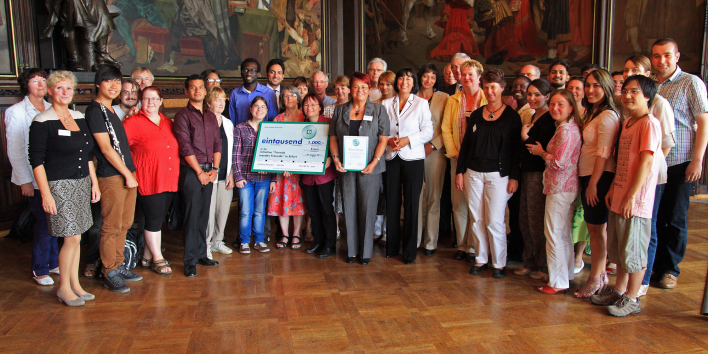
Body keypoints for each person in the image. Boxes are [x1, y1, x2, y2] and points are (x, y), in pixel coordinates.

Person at [589, 75, 662, 317]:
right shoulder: (629, 122)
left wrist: (631, 195)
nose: (628, 96)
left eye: (635, 92)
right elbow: (623, 160)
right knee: (619, 250)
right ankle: (619, 290)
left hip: (636, 201)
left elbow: (646, 161)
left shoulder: (649, 124)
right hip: (620, 195)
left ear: (648, 96)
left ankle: (632, 298)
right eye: (626, 90)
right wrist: (614, 188)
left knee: (634, 252)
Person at [28, 70, 100, 306]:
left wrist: (94, 182)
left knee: (78, 237)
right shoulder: (42, 121)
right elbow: (36, 161)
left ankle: (75, 285)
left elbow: (87, 153)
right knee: (71, 237)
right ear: (49, 91)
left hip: (81, 183)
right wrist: (46, 195)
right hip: (58, 186)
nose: (64, 92)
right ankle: (64, 288)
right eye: (59, 87)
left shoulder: (78, 116)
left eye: (68, 88)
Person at [652, 39, 708, 290]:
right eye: (656, 56)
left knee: (674, 217)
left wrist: (697, 160)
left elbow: (703, 122)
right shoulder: (650, 85)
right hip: (653, 163)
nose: (661, 60)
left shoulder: (690, 83)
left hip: (680, 161)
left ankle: (670, 269)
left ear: (677, 57)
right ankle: (655, 265)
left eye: (666, 55)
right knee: (655, 217)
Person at [455, 68, 521, 279]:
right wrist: (459, 172)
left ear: (502, 88)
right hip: (473, 173)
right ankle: (481, 258)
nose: (490, 91)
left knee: (494, 220)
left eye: (493, 87)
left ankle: (499, 263)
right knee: (476, 218)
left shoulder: (512, 117)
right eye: (486, 87)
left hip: (499, 176)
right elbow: (466, 145)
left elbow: (516, 149)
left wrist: (515, 176)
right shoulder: (476, 115)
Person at [621, 54, 676, 297]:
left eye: (636, 70)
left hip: (647, 181)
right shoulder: (629, 112)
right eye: (626, 70)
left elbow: (658, 149)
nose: (630, 73)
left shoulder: (655, 110)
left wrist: (646, 176)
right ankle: (623, 288)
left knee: (644, 232)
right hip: (629, 180)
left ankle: (638, 286)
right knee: (627, 238)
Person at [85, 66, 141, 293]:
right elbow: (106, 149)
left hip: (127, 174)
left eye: (117, 82)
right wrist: (127, 174)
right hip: (112, 175)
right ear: (99, 84)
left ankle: (119, 265)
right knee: (110, 225)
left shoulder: (110, 111)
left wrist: (130, 173)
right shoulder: (95, 110)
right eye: (109, 81)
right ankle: (109, 270)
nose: (114, 86)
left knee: (125, 224)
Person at [329, 72, 390, 265]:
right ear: (350, 89)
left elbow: (383, 140)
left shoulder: (379, 110)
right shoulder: (340, 111)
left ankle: (365, 252)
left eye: (364, 87)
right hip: (346, 168)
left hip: (370, 169)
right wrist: (336, 158)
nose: (360, 91)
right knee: (349, 208)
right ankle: (351, 251)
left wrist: (374, 162)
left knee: (368, 208)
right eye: (356, 87)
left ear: (369, 89)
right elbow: (333, 138)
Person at [5, 68, 57, 285]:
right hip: (32, 178)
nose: (40, 84)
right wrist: (25, 180)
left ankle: (53, 262)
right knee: (44, 223)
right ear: (26, 85)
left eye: (43, 80)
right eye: (35, 81)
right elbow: (15, 150)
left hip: (53, 175)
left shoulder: (52, 108)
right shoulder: (16, 111)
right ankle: (40, 268)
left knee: (55, 221)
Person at [527, 89, 583, 294]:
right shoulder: (567, 128)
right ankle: (565, 275)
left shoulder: (567, 130)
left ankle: (557, 282)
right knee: (563, 234)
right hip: (564, 187)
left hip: (560, 188)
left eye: (561, 105)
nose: (555, 108)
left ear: (570, 108)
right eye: (552, 104)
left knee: (553, 234)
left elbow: (559, 162)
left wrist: (542, 152)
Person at [574, 69, 621, 298]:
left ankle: (596, 277)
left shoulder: (607, 116)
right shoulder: (594, 113)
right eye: (588, 85)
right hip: (588, 175)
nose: (591, 90)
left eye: (596, 86)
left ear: (607, 88)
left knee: (597, 229)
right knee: (593, 227)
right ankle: (599, 276)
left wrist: (593, 183)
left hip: (599, 177)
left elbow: (604, 154)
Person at [122, 86, 177, 275]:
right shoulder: (132, 122)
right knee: (153, 219)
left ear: (161, 101)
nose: (150, 103)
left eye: (154, 99)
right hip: (148, 178)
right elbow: (119, 149)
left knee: (158, 218)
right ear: (140, 102)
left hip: (169, 178)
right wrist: (129, 172)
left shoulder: (168, 122)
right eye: (146, 99)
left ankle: (146, 256)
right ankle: (157, 258)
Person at [382, 67, 433, 264]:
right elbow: (381, 128)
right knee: (392, 203)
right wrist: (388, 141)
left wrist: (407, 140)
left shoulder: (421, 103)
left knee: (412, 204)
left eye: (409, 79)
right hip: (391, 158)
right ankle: (392, 246)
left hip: (413, 159)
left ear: (414, 83)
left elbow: (427, 131)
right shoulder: (386, 103)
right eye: (402, 78)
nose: (405, 81)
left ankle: (410, 250)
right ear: (397, 82)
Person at [172, 74, 221, 277]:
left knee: (203, 215)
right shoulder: (182, 115)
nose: (198, 91)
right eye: (193, 88)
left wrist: (215, 170)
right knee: (192, 216)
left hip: (210, 171)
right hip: (192, 172)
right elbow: (185, 147)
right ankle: (190, 260)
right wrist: (199, 172)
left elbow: (218, 143)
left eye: (201, 87)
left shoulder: (211, 116)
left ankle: (202, 254)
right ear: (187, 91)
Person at [442, 59, 486, 263]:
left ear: (479, 77)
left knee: (475, 205)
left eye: (471, 74)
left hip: (479, 162)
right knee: (458, 204)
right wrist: (454, 153)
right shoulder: (453, 100)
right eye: (464, 74)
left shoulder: (487, 99)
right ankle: (461, 244)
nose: (466, 78)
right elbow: (446, 129)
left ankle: (474, 246)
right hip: (457, 159)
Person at [516, 79, 555, 280]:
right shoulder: (532, 115)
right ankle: (529, 261)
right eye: (529, 94)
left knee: (536, 221)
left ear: (547, 96)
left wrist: (525, 136)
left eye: (537, 94)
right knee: (525, 219)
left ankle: (542, 265)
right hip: (527, 173)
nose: (531, 98)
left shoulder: (549, 119)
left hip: (539, 174)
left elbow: (539, 149)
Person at [233, 97, 274, 254]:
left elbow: (276, 155)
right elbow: (235, 155)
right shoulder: (240, 128)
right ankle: (244, 241)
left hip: (264, 179)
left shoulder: (271, 128)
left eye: (263, 107)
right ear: (250, 109)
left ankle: (259, 240)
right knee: (245, 211)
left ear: (267, 110)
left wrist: (274, 178)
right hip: (245, 178)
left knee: (259, 211)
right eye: (256, 106)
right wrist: (238, 176)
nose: (259, 109)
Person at [416, 63, 450, 256]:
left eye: (433, 77)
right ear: (420, 77)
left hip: (435, 153)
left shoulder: (444, 98)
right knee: (416, 197)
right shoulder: (412, 97)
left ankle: (430, 242)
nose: (428, 80)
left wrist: (433, 146)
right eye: (425, 76)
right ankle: (416, 239)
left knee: (433, 198)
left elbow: (447, 127)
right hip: (413, 152)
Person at [269, 86, 307, 250]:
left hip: (300, 170)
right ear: (282, 100)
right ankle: (285, 234)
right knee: (282, 201)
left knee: (298, 203)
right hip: (281, 171)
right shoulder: (277, 120)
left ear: (298, 98)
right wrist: (282, 165)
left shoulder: (305, 119)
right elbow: (273, 145)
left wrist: (296, 165)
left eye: (292, 95)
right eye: (285, 96)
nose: (289, 98)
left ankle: (297, 234)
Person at [300, 92, 338, 258]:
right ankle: (318, 242)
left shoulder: (328, 123)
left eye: (313, 105)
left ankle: (330, 245)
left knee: (326, 209)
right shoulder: (300, 126)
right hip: (307, 176)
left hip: (325, 175)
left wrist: (331, 156)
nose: (310, 108)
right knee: (313, 211)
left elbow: (336, 145)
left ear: (320, 107)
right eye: (306, 105)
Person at [204, 86, 236, 258]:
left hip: (225, 173)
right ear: (208, 103)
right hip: (209, 174)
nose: (221, 103)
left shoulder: (228, 122)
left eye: (223, 100)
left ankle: (217, 241)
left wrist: (231, 173)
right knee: (208, 212)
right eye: (217, 99)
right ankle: (206, 244)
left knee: (223, 210)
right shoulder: (203, 120)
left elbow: (231, 150)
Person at [567, 76, 590, 273]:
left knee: (581, 214)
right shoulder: (562, 111)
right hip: (565, 173)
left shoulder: (589, 114)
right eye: (571, 87)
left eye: (578, 88)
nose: (574, 91)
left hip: (584, 169)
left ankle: (578, 255)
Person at [228, 58, 279, 125]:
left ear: (258, 74)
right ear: (241, 73)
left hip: (263, 133)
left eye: (252, 70)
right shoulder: (235, 94)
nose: (249, 73)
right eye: (246, 70)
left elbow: (273, 119)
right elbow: (232, 121)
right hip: (241, 134)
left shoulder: (269, 93)